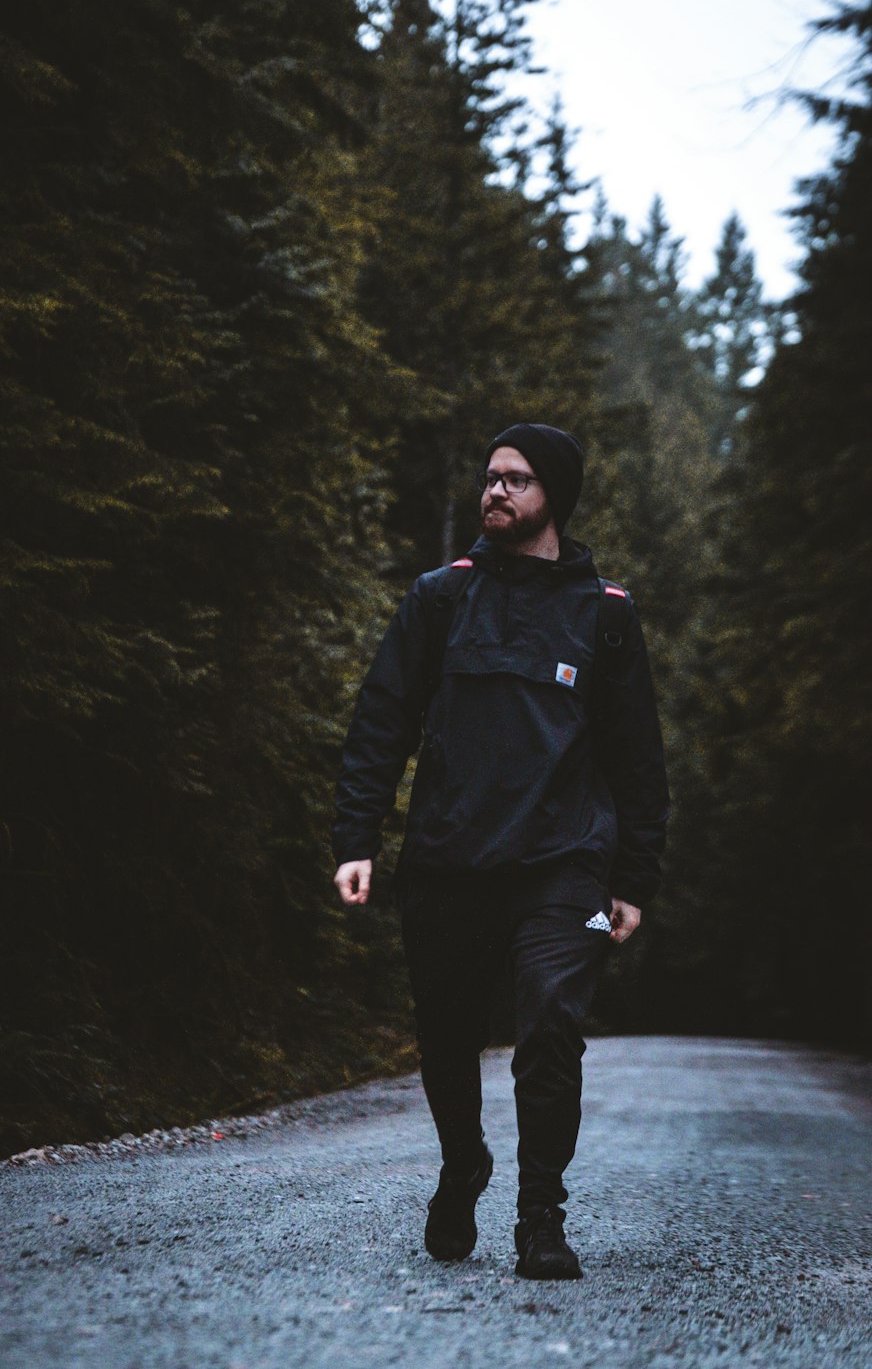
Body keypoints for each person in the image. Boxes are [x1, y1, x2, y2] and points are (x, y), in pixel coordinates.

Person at [332, 422, 669, 1280]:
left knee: (552, 1023)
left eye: (515, 480)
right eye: (489, 478)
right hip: (449, 860)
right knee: (445, 1036)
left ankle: (540, 1217)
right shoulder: (441, 598)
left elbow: (638, 761)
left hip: (567, 868)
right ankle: (463, 1165)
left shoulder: (604, 615)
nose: (494, 492)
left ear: (552, 495)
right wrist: (357, 839)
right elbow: (382, 723)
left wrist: (633, 880)